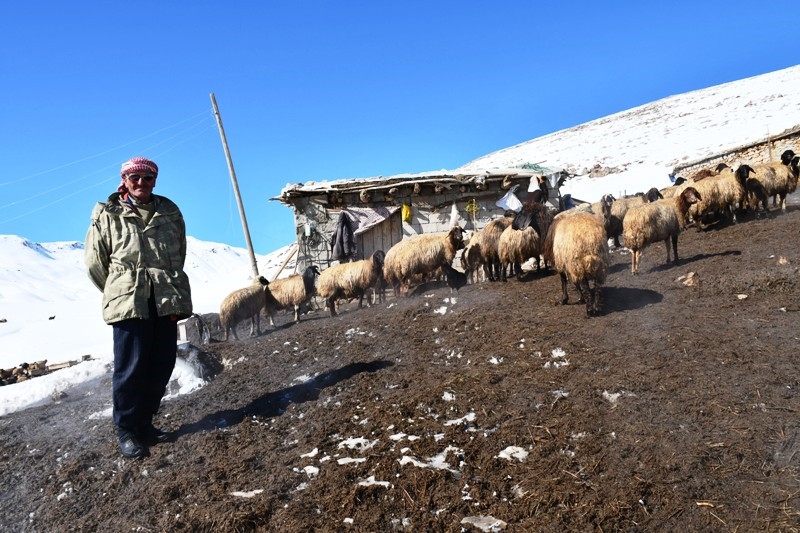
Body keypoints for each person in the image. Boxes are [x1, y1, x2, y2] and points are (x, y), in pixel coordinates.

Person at [85, 156, 193, 458]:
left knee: (161, 363)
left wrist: (164, 282)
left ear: (155, 180)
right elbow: (96, 262)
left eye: (147, 178)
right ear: (124, 179)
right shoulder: (108, 214)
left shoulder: (169, 210)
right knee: (131, 367)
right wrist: (119, 288)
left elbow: (179, 252)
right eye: (135, 178)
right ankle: (127, 429)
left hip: (165, 297)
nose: (141, 183)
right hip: (129, 300)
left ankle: (145, 423)